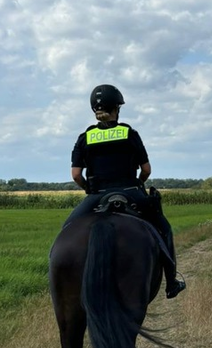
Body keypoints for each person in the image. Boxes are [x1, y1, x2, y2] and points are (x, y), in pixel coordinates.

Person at [64, 84, 186, 299]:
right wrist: (138, 183)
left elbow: (75, 175)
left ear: (94, 110)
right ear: (117, 109)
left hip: (96, 195)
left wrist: (88, 189)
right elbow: (146, 170)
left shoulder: (85, 138)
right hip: (131, 191)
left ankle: (60, 278)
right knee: (164, 229)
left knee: (66, 232)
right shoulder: (130, 133)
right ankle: (171, 282)